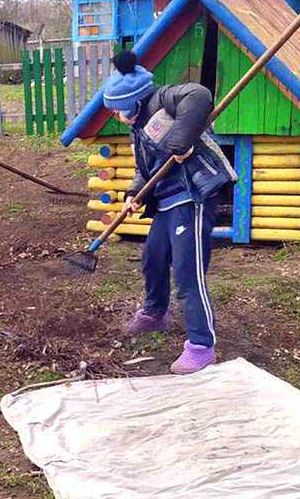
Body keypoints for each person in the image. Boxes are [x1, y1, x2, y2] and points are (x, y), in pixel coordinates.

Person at [100, 50, 237, 375]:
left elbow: (200, 95)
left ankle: (202, 345)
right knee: (153, 258)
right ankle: (155, 313)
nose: (117, 116)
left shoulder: (164, 100)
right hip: (165, 201)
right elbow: (145, 168)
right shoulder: (137, 127)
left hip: (192, 196)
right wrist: (134, 192)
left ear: (132, 101)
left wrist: (181, 139)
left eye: (119, 110)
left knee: (187, 272)